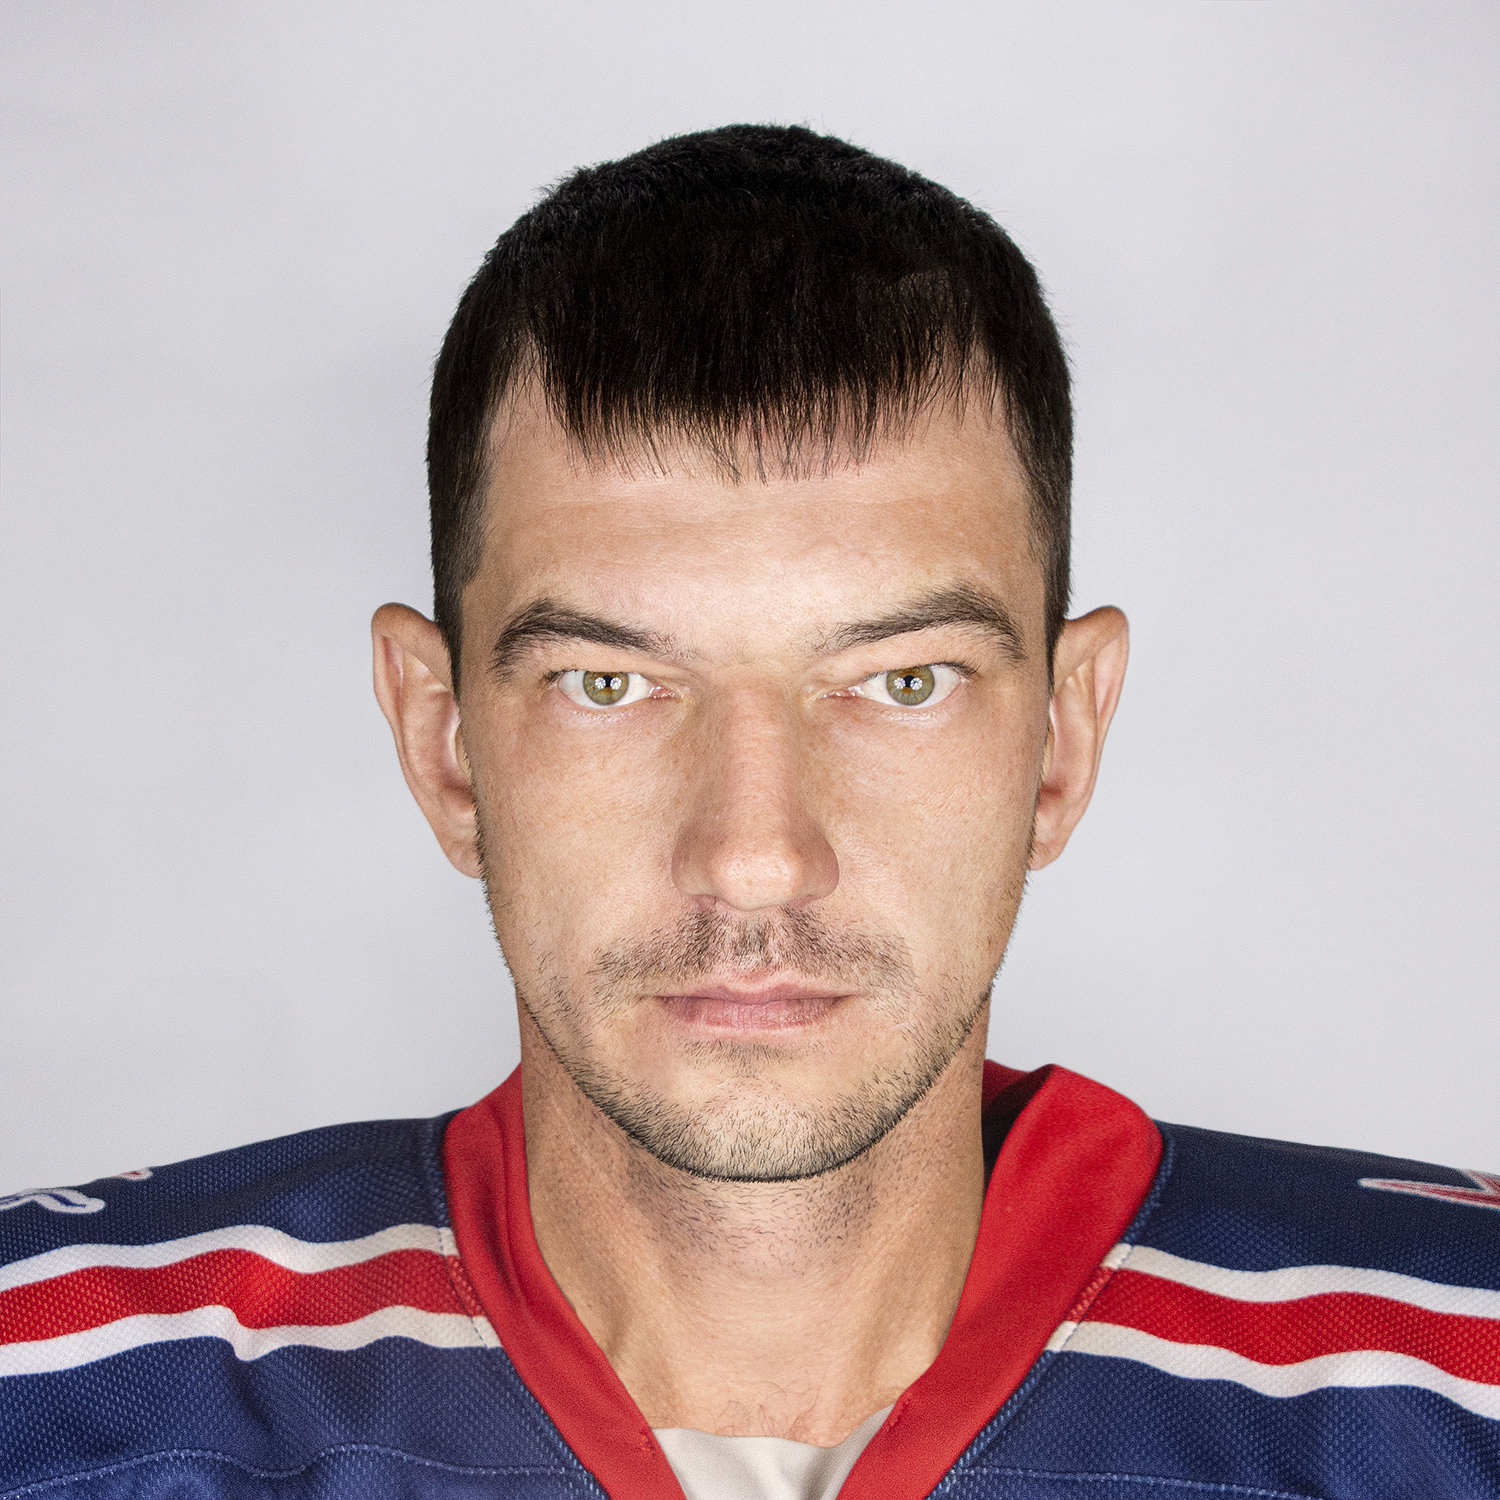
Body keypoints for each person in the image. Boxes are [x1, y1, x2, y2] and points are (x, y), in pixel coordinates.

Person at [1, 124, 1496, 1500]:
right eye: (607, 685)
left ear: (1062, 739)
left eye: (902, 683)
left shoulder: (1454, 1380)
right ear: (443, 740)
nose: (757, 855)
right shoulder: (51, 1390)